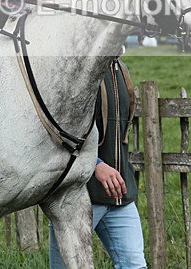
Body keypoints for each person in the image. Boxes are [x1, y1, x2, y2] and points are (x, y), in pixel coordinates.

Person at [49, 54, 147, 269]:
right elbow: (58, 131)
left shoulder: (120, 69)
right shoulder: (78, 70)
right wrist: (96, 164)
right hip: (78, 197)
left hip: (121, 197)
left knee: (135, 265)